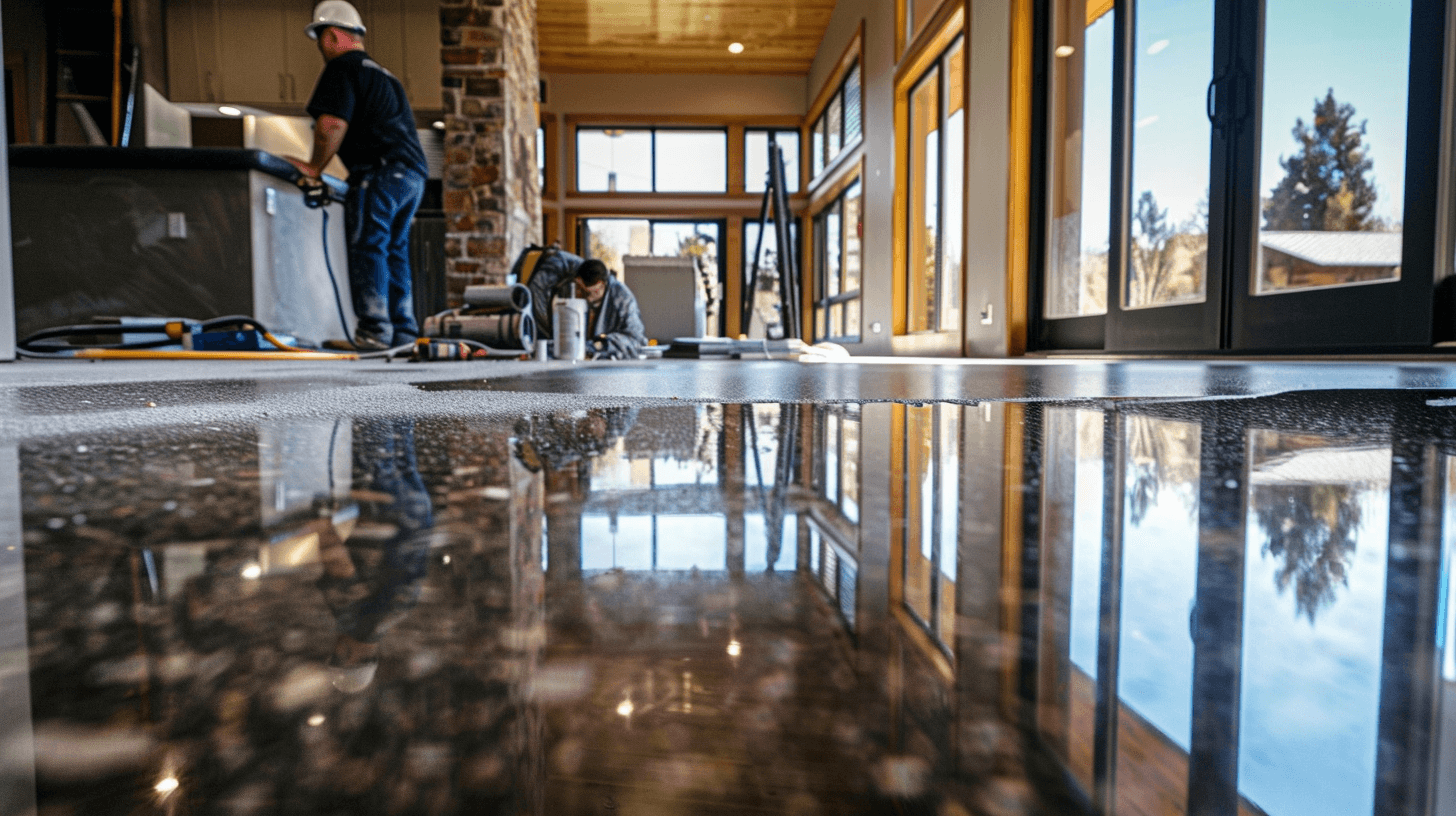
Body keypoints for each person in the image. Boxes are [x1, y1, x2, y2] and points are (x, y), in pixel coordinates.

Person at [285, 0, 429, 352]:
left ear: (332, 35)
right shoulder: (384, 75)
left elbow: (331, 124)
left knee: (370, 245)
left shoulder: (344, 68)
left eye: (320, 39)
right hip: (412, 176)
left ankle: (375, 332)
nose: (320, 47)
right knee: (393, 250)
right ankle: (403, 333)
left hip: (379, 172)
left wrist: (314, 167)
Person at [550, 259, 647, 360]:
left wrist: (601, 344)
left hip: (613, 366)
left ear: (601, 285)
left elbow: (636, 340)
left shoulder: (622, 298)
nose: (580, 295)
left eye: (586, 292)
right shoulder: (583, 297)